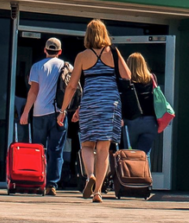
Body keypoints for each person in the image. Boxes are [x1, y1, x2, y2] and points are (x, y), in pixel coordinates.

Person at [58, 20, 131, 203]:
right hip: (110, 104)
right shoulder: (113, 52)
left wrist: (63, 109)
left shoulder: (82, 56)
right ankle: (98, 191)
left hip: (90, 102)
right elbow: (127, 76)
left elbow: (72, 86)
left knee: (87, 144)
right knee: (104, 149)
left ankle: (90, 174)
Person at [19, 38, 69, 196]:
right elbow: (73, 89)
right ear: (60, 51)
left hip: (39, 113)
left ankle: (37, 181)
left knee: (37, 150)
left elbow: (33, 91)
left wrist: (26, 112)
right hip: (59, 114)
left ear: (45, 50)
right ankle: (52, 184)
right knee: (56, 151)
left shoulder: (37, 67)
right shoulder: (68, 66)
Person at [125, 52, 158, 155]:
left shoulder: (126, 81)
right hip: (150, 122)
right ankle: (144, 171)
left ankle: (129, 171)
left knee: (129, 155)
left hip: (131, 122)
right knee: (143, 156)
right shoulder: (151, 78)